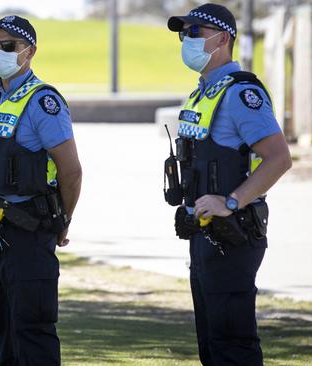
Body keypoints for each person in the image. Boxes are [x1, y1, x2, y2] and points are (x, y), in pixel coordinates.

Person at [164, 4, 292, 365]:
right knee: (212, 345)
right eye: (182, 34)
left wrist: (231, 202)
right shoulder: (203, 92)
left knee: (232, 347)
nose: (186, 41)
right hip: (203, 235)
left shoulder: (240, 94)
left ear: (222, 39)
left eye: (194, 33)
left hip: (232, 234)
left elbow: (279, 158)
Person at [0, 15, 82, 365]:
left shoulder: (43, 102)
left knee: (32, 329)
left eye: (8, 46)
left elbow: (71, 172)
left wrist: (63, 221)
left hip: (27, 231)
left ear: (30, 51)